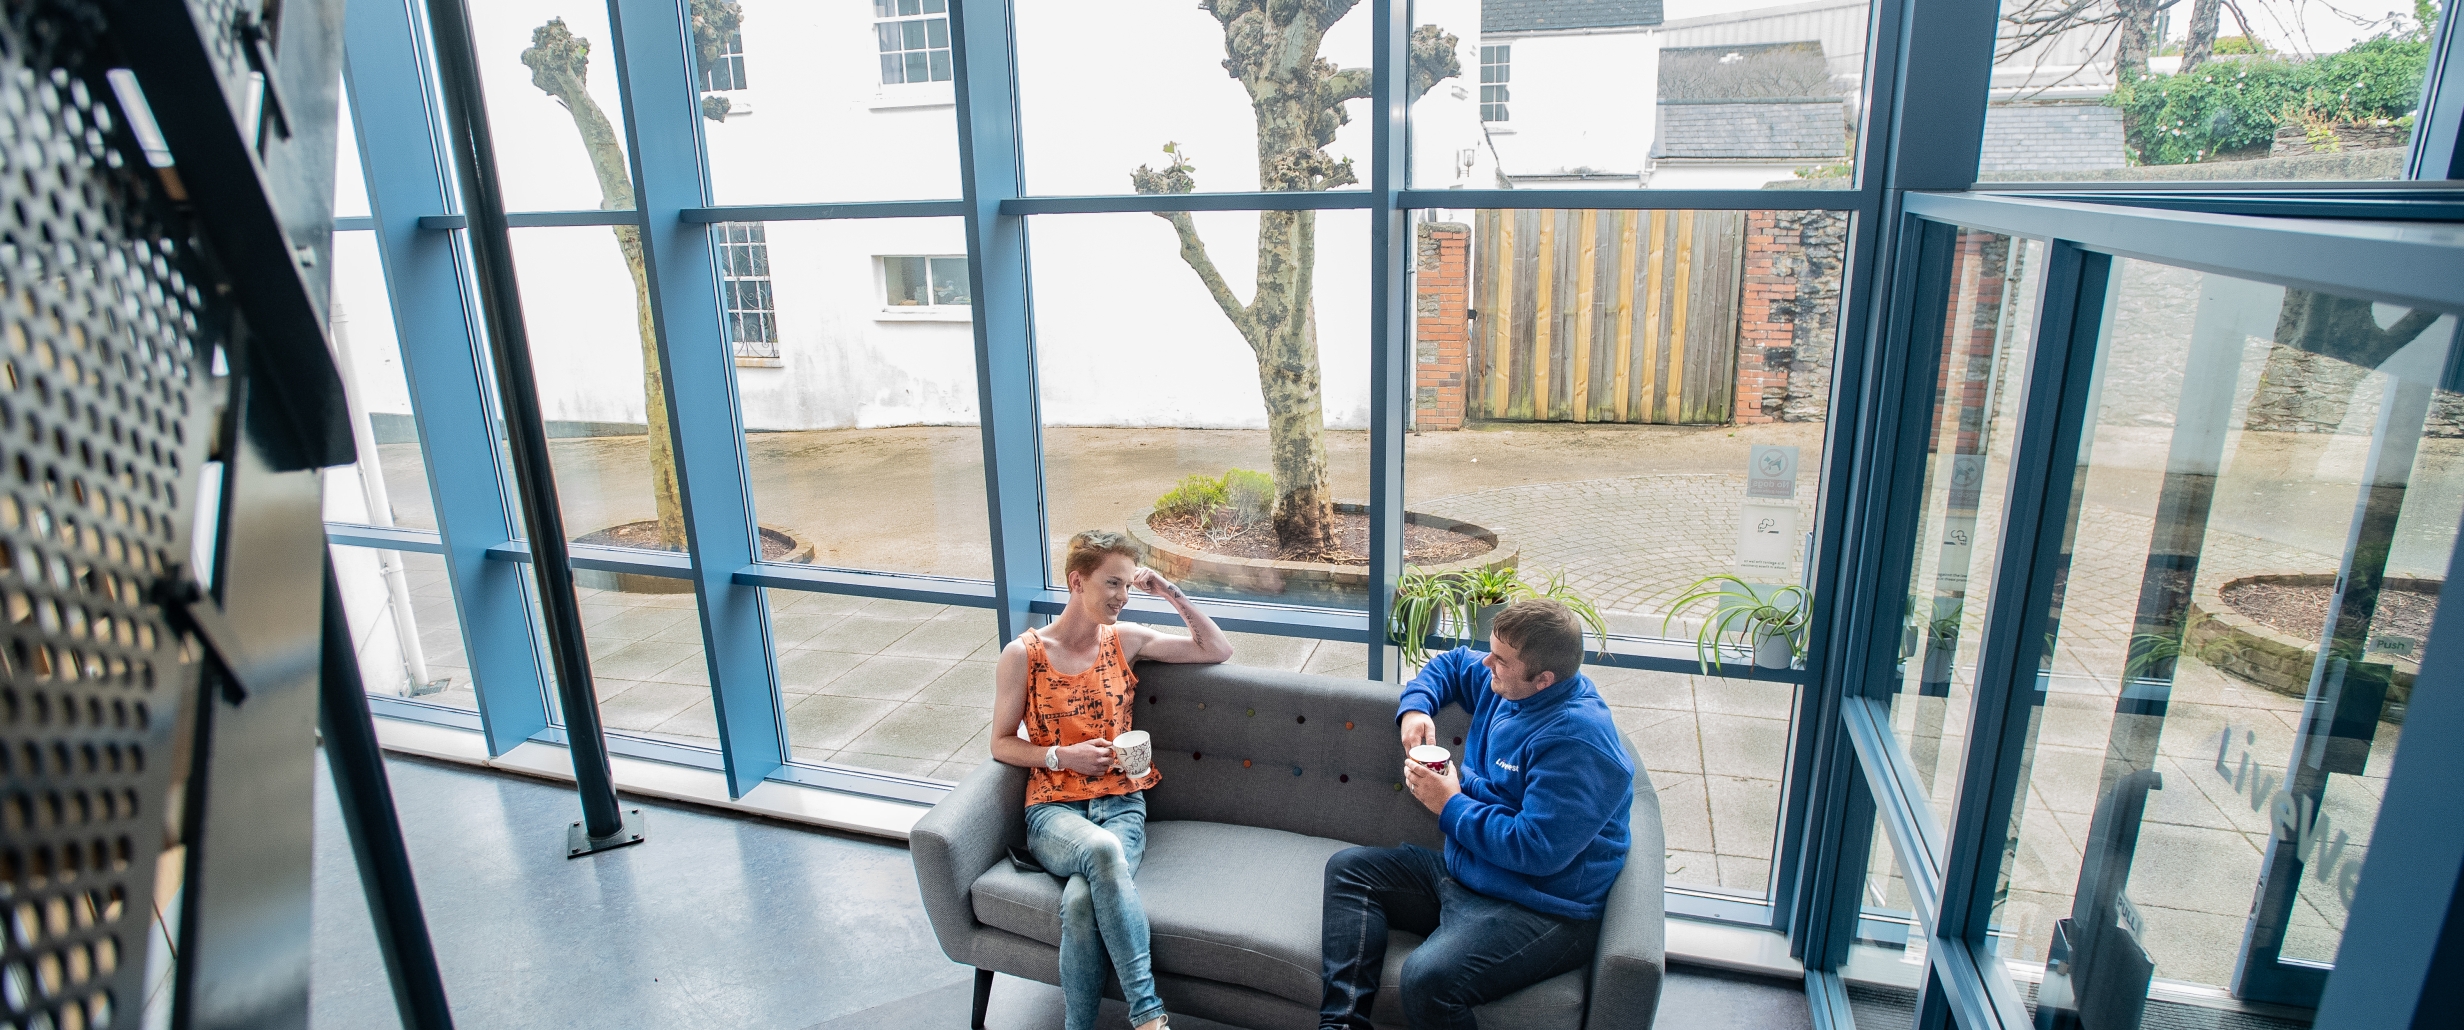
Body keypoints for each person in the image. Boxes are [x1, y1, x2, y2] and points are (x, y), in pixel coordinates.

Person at [1317, 598, 1634, 1030]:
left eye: (1501, 660)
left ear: (1543, 679)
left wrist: (1448, 804)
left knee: (1426, 980)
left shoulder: (1579, 744)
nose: (1487, 662)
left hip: (1541, 907)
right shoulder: (1501, 682)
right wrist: (1416, 705)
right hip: (1471, 871)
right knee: (1350, 871)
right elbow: (1451, 664)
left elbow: (1536, 849)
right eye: (1491, 650)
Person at [987, 530, 1232, 1030]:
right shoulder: (1024, 655)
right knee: (1101, 853)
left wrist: (1168, 592)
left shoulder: (1126, 641)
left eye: (1127, 585)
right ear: (1077, 581)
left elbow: (1217, 649)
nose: (1122, 596)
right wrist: (1062, 756)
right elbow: (1000, 744)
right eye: (1111, 583)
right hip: (1053, 811)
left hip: (1121, 806)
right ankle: (1148, 1015)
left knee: (1079, 903)